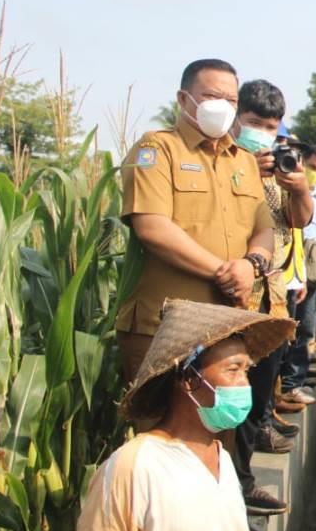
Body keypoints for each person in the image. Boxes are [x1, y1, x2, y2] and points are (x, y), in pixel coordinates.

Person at [116, 59, 294, 385]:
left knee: (220, 424)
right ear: (184, 99)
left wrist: (251, 264)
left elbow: (264, 228)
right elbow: (152, 227)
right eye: (212, 97)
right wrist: (223, 272)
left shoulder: (241, 160)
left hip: (227, 322)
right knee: (166, 424)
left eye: (231, 101)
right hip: (165, 325)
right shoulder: (157, 149)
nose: (222, 107)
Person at [76, 299, 295, 531]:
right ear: (189, 380)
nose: (244, 384)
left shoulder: (222, 459)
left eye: (246, 371)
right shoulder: (133, 468)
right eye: (233, 370)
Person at [229, 79, 312, 514]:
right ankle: (232, 487)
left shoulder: (281, 165)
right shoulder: (222, 162)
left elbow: (298, 221)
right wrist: (246, 174)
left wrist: (297, 185)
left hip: (272, 299)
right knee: (228, 398)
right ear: (236, 118)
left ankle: (243, 483)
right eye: (254, 122)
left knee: (258, 395)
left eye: (271, 125)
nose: (262, 132)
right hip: (228, 301)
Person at [277, 144, 316, 407]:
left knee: (304, 328)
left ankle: (293, 384)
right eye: (313, 167)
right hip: (282, 265)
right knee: (280, 331)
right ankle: (276, 388)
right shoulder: (281, 189)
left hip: (310, 267)